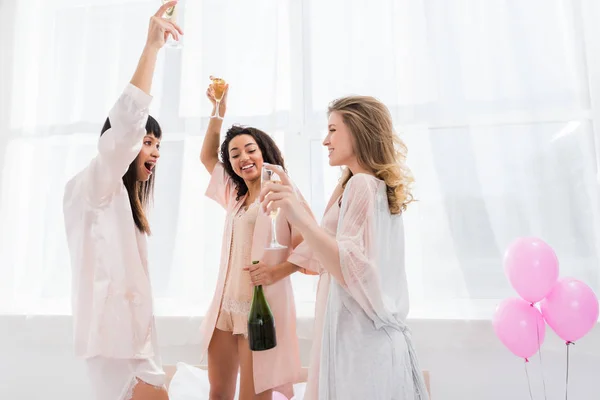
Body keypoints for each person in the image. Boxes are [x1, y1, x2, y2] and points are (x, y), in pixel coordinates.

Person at [260, 95, 430, 399]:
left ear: (358, 130)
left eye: (333, 130)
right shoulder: (367, 184)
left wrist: (296, 213)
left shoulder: (360, 185)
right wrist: (292, 198)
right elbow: (324, 242)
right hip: (366, 337)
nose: (326, 140)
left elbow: (347, 266)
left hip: (358, 340)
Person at [62, 3, 183, 399]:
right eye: (148, 142)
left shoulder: (123, 201)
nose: (155, 151)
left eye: (158, 145)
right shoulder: (95, 185)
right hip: (115, 346)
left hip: (134, 342)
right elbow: (127, 124)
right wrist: (151, 49)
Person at [198, 80, 314, 400]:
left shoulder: (282, 192)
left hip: (258, 313)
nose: (243, 157)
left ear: (264, 151)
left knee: (254, 396)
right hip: (225, 308)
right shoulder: (234, 195)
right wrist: (218, 108)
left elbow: (311, 249)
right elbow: (207, 155)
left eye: (250, 149)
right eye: (235, 154)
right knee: (218, 393)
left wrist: (277, 272)